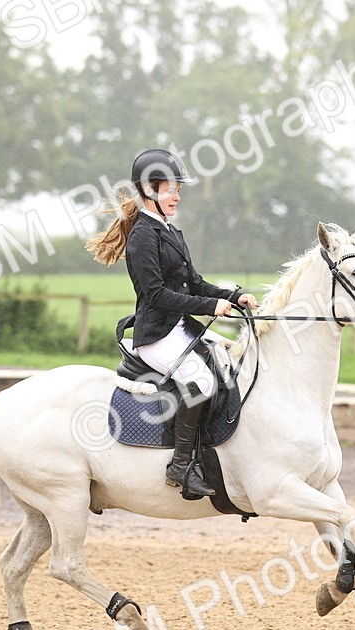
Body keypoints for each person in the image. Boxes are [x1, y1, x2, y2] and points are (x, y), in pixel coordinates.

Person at [86, 148, 257, 497]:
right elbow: (157, 295)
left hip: (180, 329)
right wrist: (210, 306)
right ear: (150, 190)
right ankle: (180, 467)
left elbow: (194, 283)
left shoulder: (171, 231)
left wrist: (232, 296)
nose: (177, 196)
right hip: (156, 336)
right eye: (171, 189)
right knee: (201, 382)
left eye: (178, 189)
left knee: (227, 368)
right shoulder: (142, 236)